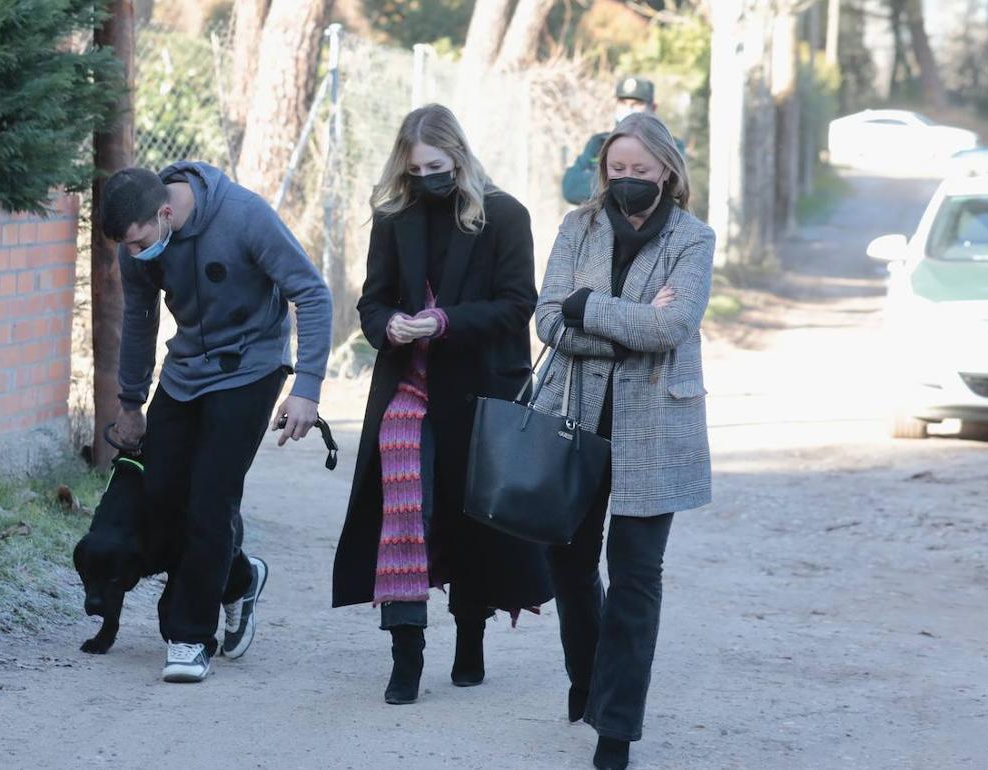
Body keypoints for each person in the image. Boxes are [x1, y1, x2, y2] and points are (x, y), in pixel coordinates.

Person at [332, 104, 553, 706]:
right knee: (405, 510)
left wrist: (444, 321)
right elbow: (371, 303)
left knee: (470, 513)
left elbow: (517, 305)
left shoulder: (503, 214)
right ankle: (406, 654)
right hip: (407, 388)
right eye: (416, 167)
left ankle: (470, 639)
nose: (427, 175)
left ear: (458, 154)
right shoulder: (394, 216)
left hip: (481, 388)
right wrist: (393, 325)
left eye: (436, 164)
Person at [99, 162, 332, 683]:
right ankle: (241, 578)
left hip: (253, 366)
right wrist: (131, 402)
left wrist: (307, 388)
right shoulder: (137, 242)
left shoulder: (245, 217)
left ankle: (189, 637)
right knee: (159, 496)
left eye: (139, 242)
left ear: (165, 213)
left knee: (210, 499)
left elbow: (311, 293)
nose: (135, 255)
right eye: (128, 247)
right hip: (185, 371)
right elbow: (139, 319)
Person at [535, 112, 714, 770]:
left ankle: (616, 729)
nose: (629, 181)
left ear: (667, 170)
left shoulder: (694, 239)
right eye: (618, 170)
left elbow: (675, 327)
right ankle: (588, 677)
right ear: (602, 171)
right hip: (575, 416)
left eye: (641, 171)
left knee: (636, 578)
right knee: (569, 563)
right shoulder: (576, 226)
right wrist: (618, 323)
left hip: (656, 430)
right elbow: (548, 317)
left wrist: (589, 307)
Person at [561, 76, 656, 206]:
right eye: (623, 102)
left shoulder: (666, 146)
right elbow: (571, 188)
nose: (628, 109)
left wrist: (597, 179)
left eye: (637, 104)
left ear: (653, 108)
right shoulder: (598, 143)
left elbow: (663, 191)